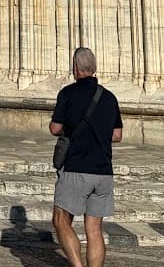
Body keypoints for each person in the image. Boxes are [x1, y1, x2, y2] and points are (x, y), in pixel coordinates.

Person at [49, 46, 123, 267]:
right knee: (94, 229)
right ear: (94, 68)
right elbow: (117, 135)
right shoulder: (109, 97)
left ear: (75, 68)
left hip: (76, 167)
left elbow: (54, 128)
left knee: (60, 220)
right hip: (103, 172)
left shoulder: (68, 94)